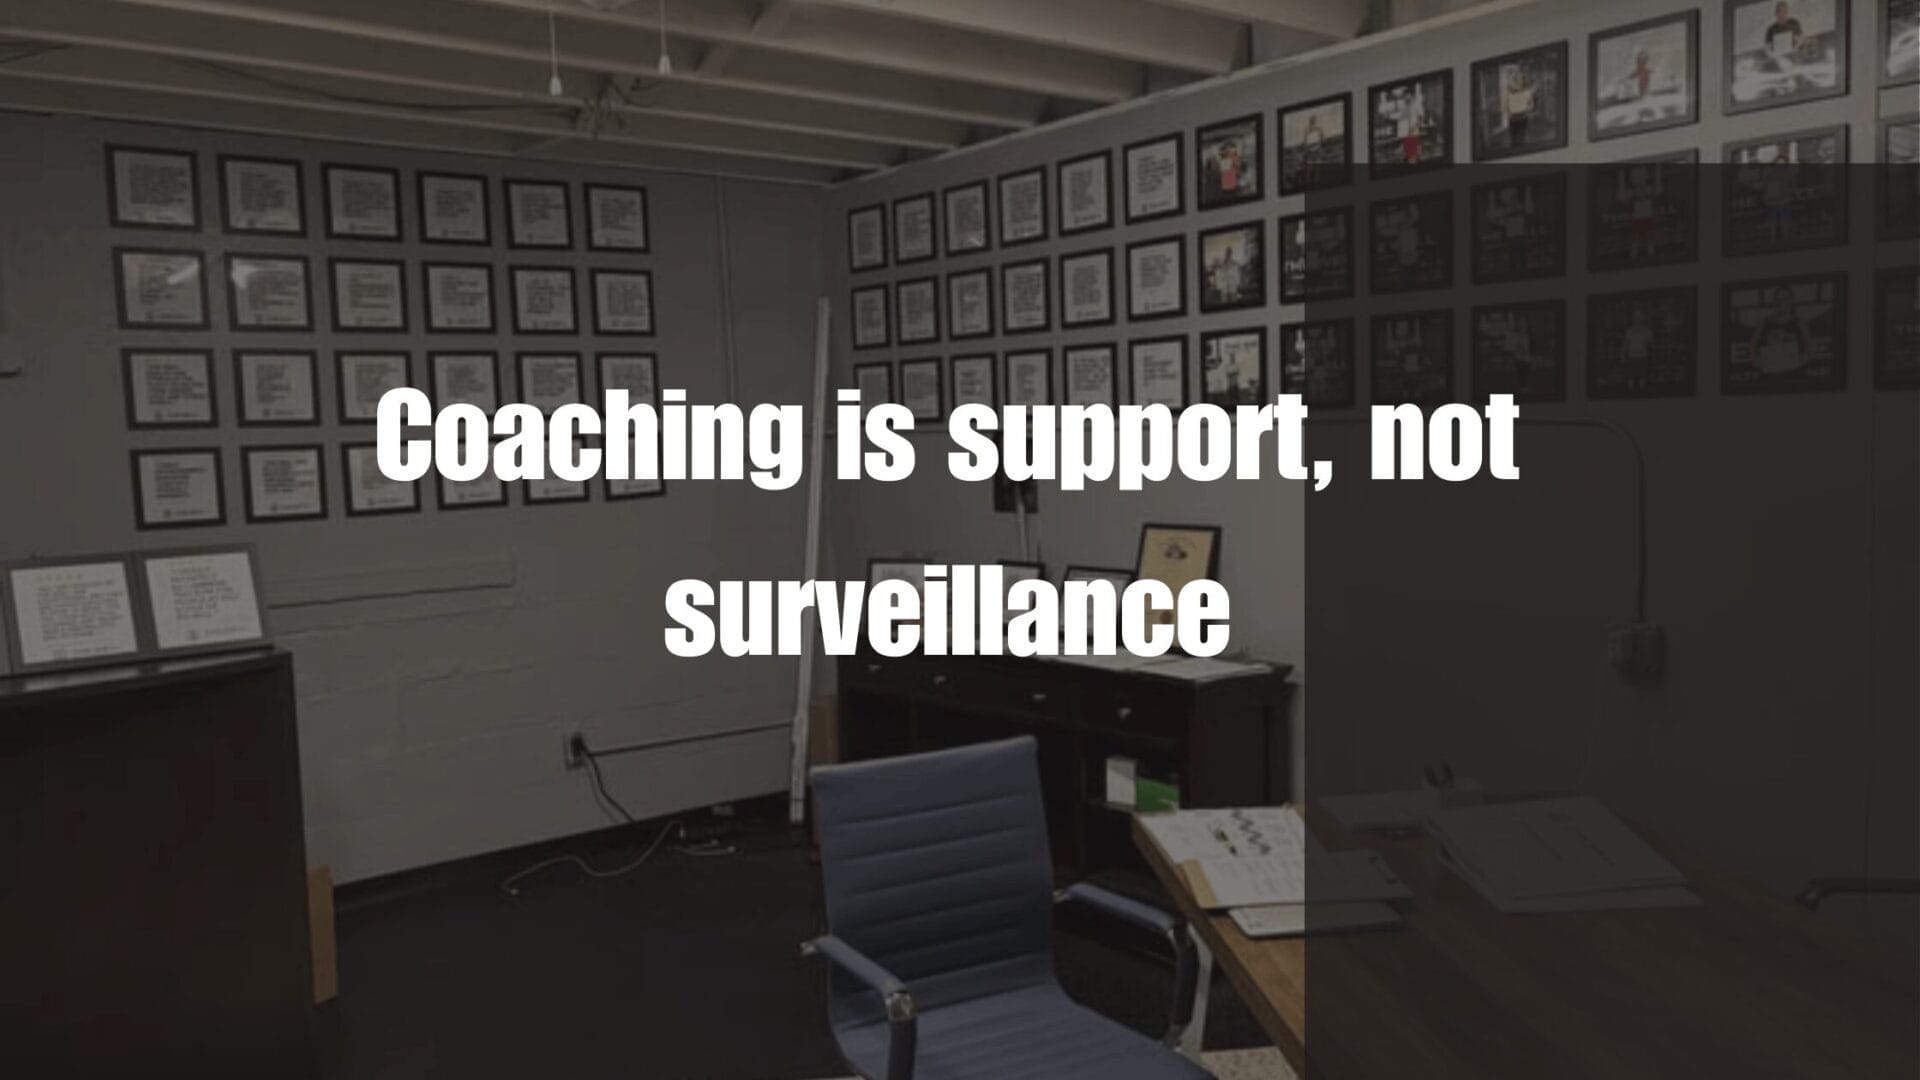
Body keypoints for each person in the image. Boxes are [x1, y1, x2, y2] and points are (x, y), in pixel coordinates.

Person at [1749, 286, 1813, 373]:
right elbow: (1752, 346)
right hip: (1770, 373)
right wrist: (1755, 360)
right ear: (1774, 301)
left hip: (1794, 373)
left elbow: (1810, 348)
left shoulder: (1799, 323)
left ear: (1791, 301)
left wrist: (1805, 358)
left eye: (1785, 299)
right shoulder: (1764, 323)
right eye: (1777, 299)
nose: (1781, 302)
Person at [1619, 305, 1656, 391]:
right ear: (1633, 318)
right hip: (1631, 358)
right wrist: (1622, 355)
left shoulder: (1647, 331)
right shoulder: (1629, 331)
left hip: (1643, 357)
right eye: (1636, 316)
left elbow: (1651, 345)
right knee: (1630, 380)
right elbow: (1625, 344)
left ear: (1643, 318)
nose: (1638, 318)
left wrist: (1649, 340)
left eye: (1640, 316)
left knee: (1642, 380)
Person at [1503, 65, 1537, 148]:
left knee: (1522, 139)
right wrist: (1508, 113)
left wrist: (1526, 109)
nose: (1519, 81)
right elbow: (1505, 105)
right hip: (1512, 119)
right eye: (1517, 79)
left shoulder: (1527, 92)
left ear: (1523, 80)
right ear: (1515, 80)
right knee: (1513, 140)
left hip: (1523, 118)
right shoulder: (1508, 92)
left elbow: (1531, 105)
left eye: (1521, 79)